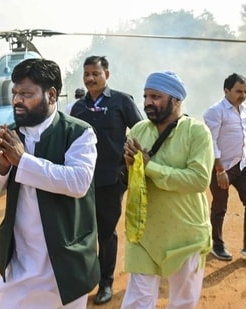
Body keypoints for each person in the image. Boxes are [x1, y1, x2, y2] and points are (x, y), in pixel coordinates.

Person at [0, 58, 100, 308]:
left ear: (51, 95)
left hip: (64, 262)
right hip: (23, 261)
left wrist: (22, 160)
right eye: (15, 93)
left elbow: (78, 182)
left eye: (26, 94)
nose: (17, 100)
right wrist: (3, 165)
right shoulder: (12, 134)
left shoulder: (79, 132)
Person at [122, 71, 213, 308]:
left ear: (176, 100)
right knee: (137, 302)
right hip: (144, 233)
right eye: (145, 96)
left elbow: (199, 180)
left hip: (185, 236)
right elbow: (134, 177)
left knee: (182, 302)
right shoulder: (139, 130)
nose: (148, 103)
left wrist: (150, 166)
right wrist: (131, 165)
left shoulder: (197, 132)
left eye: (156, 96)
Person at [69, 55, 143, 305]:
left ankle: (106, 283)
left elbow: (142, 130)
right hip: (82, 180)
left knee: (106, 233)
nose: (90, 78)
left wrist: (135, 158)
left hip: (111, 180)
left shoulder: (122, 102)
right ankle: (84, 278)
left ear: (107, 75)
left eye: (95, 74)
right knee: (81, 231)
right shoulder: (78, 107)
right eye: (86, 74)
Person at [203, 73, 246, 262]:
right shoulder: (215, 112)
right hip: (222, 168)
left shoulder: (245, 109)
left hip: (243, 166)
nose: (243, 95)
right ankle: (217, 245)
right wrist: (219, 170)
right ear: (226, 91)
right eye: (238, 91)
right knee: (219, 207)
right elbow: (212, 142)